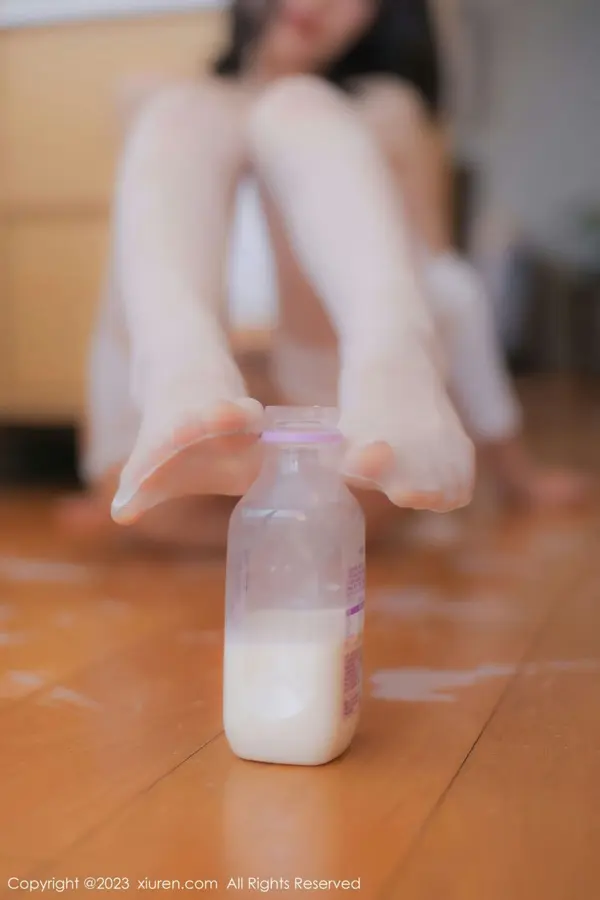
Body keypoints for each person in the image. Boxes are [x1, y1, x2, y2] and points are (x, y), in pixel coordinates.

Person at [60, 0, 588, 553]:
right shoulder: (160, 98)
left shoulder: (387, 112)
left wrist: (516, 473)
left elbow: (448, 289)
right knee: (176, 113)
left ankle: (391, 366)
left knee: (300, 112)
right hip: (169, 476)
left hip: (341, 461)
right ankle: (182, 385)